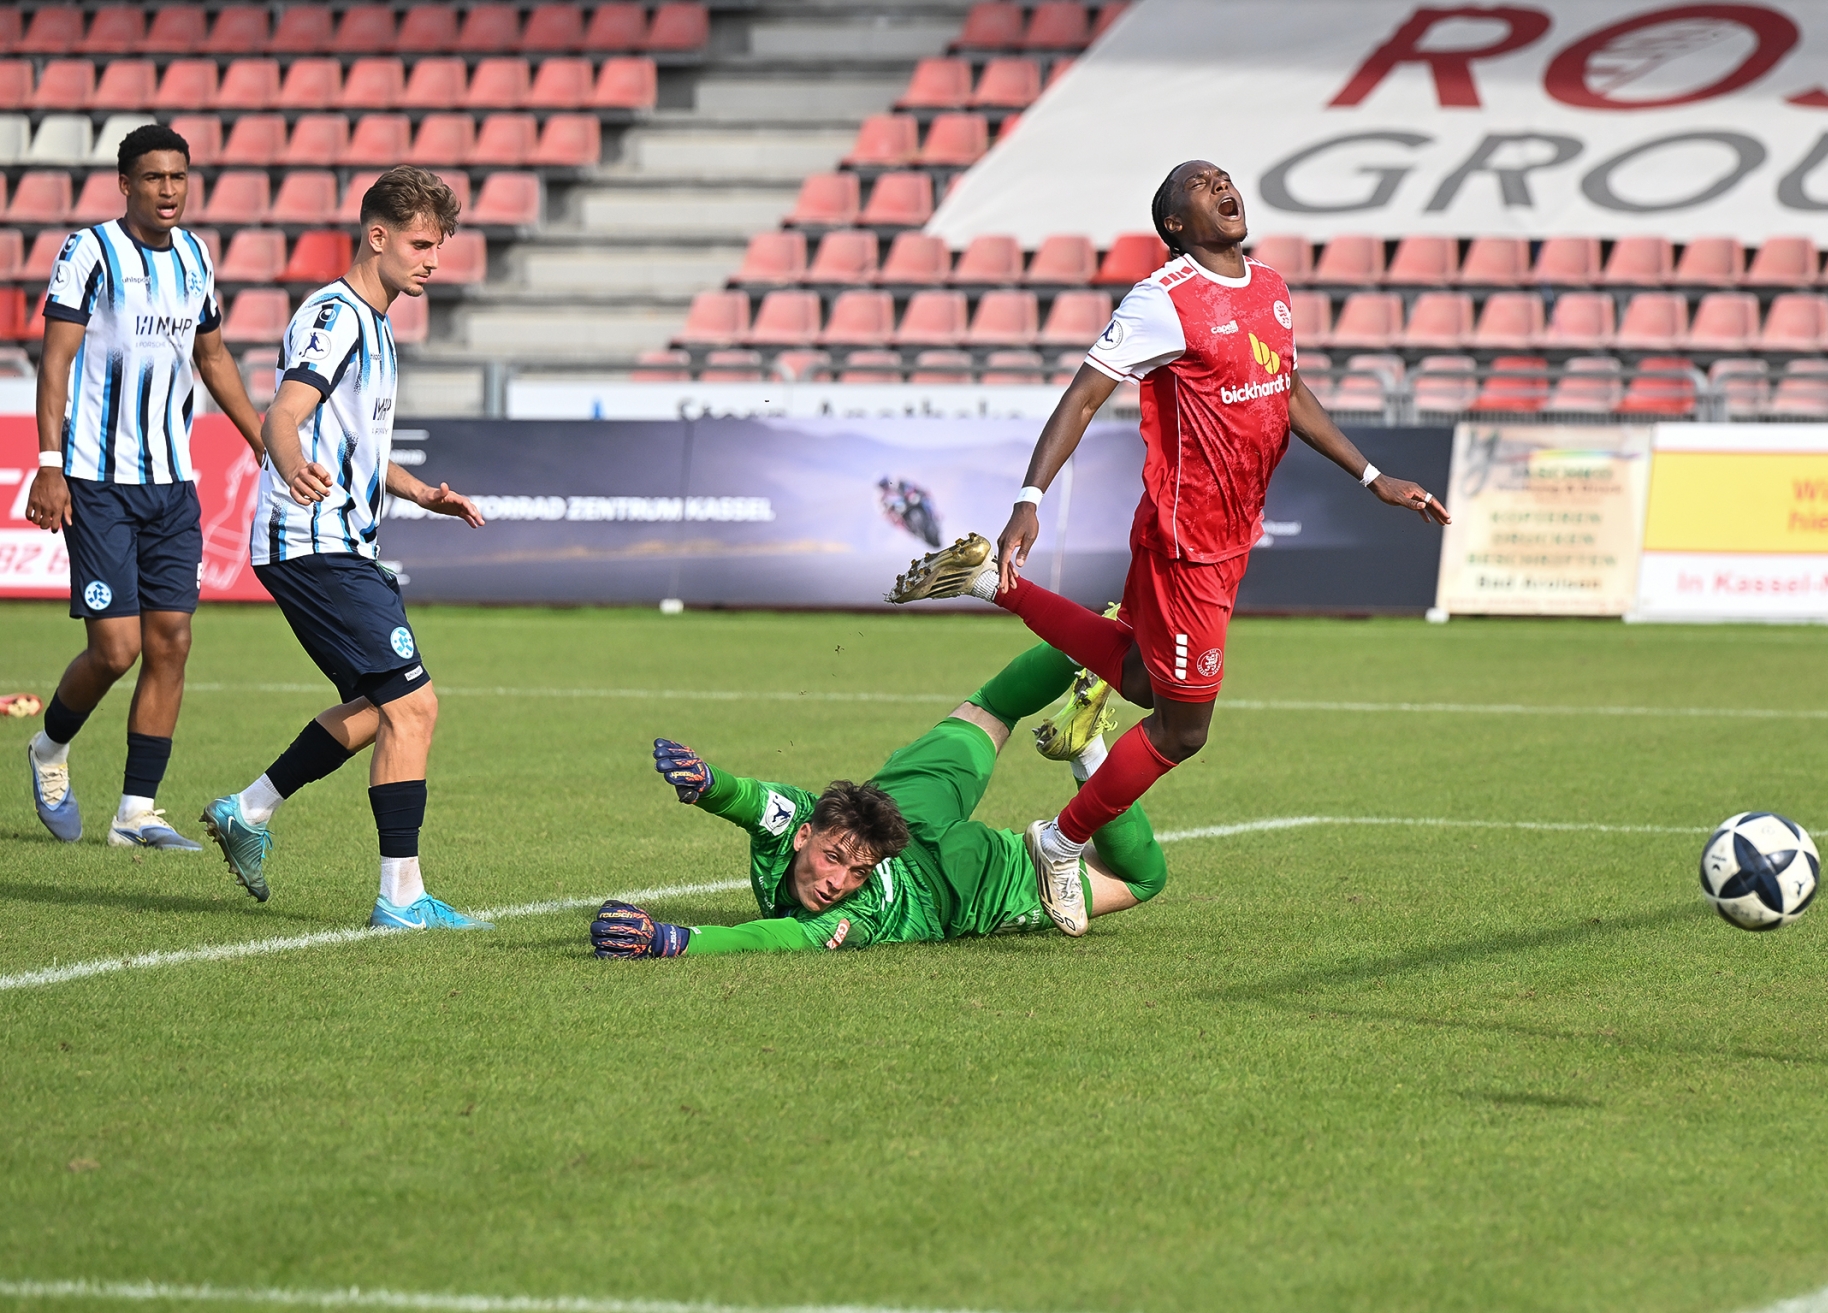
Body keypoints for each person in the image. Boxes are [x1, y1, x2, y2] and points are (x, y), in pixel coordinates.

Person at [886, 159, 1449, 936]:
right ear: (1177, 223)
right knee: (1184, 729)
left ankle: (993, 583)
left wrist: (1373, 475)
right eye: (1200, 184)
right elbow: (1085, 394)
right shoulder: (1164, 298)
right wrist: (1028, 500)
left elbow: (1285, 388)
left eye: (1224, 177)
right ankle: (1060, 842)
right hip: (1189, 544)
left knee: (1144, 680)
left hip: (1227, 533)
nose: (1222, 186)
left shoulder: (1271, 287)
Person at [198, 167, 490, 931]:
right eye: (422, 245)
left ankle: (248, 810)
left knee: (377, 709)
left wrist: (419, 491)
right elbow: (283, 414)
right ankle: (401, 898)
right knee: (414, 705)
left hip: (341, 540)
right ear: (378, 236)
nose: (433, 260)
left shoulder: (378, 324)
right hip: (311, 539)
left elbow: (356, 444)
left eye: (439, 246)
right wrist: (292, 463)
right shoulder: (336, 316)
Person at [588, 641, 1167, 958]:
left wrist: (672, 940)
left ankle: (1091, 694)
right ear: (803, 833)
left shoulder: (845, 908)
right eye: (836, 860)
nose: (838, 883)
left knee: (1143, 879)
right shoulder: (812, 839)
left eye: (854, 870)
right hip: (933, 842)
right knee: (990, 709)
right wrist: (710, 786)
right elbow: (748, 800)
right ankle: (1095, 663)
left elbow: (767, 935)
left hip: (949, 865)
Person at [22, 124, 265, 848]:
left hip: (172, 483)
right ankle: (49, 748)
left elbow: (212, 356)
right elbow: (56, 361)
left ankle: (136, 812)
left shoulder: (195, 257)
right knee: (116, 649)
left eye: (178, 177)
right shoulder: (89, 251)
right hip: (98, 481)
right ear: (126, 184)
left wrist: (262, 440)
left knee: (172, 642)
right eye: (154, 177)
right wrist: (49, 462)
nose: (168, 190)